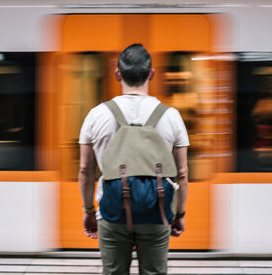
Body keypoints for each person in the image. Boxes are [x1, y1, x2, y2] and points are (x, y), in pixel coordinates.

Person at [78, 44, 189, 275]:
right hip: (157, 212)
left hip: (112, 213)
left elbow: (85, 171)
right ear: (152, 74)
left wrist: (89, 210)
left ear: (117, 74)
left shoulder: (96, 115)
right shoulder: (172, 116)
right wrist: (179, 214)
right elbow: (182, 174)